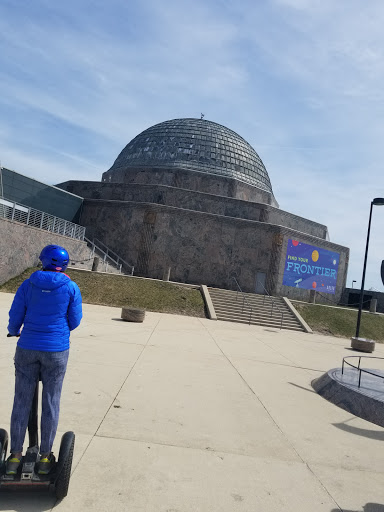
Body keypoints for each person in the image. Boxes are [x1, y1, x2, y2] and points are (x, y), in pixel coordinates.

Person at [6, 244, 82, 475]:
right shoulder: (71, 287)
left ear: (43, 260)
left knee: (21, 400)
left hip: (27, 346)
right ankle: (46, 457)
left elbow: (16, 313)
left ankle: (15, 456)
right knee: (51, 401)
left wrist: (14, 329)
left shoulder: (28, 284)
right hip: (56, 350)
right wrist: (57, 331)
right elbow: (75, 320)